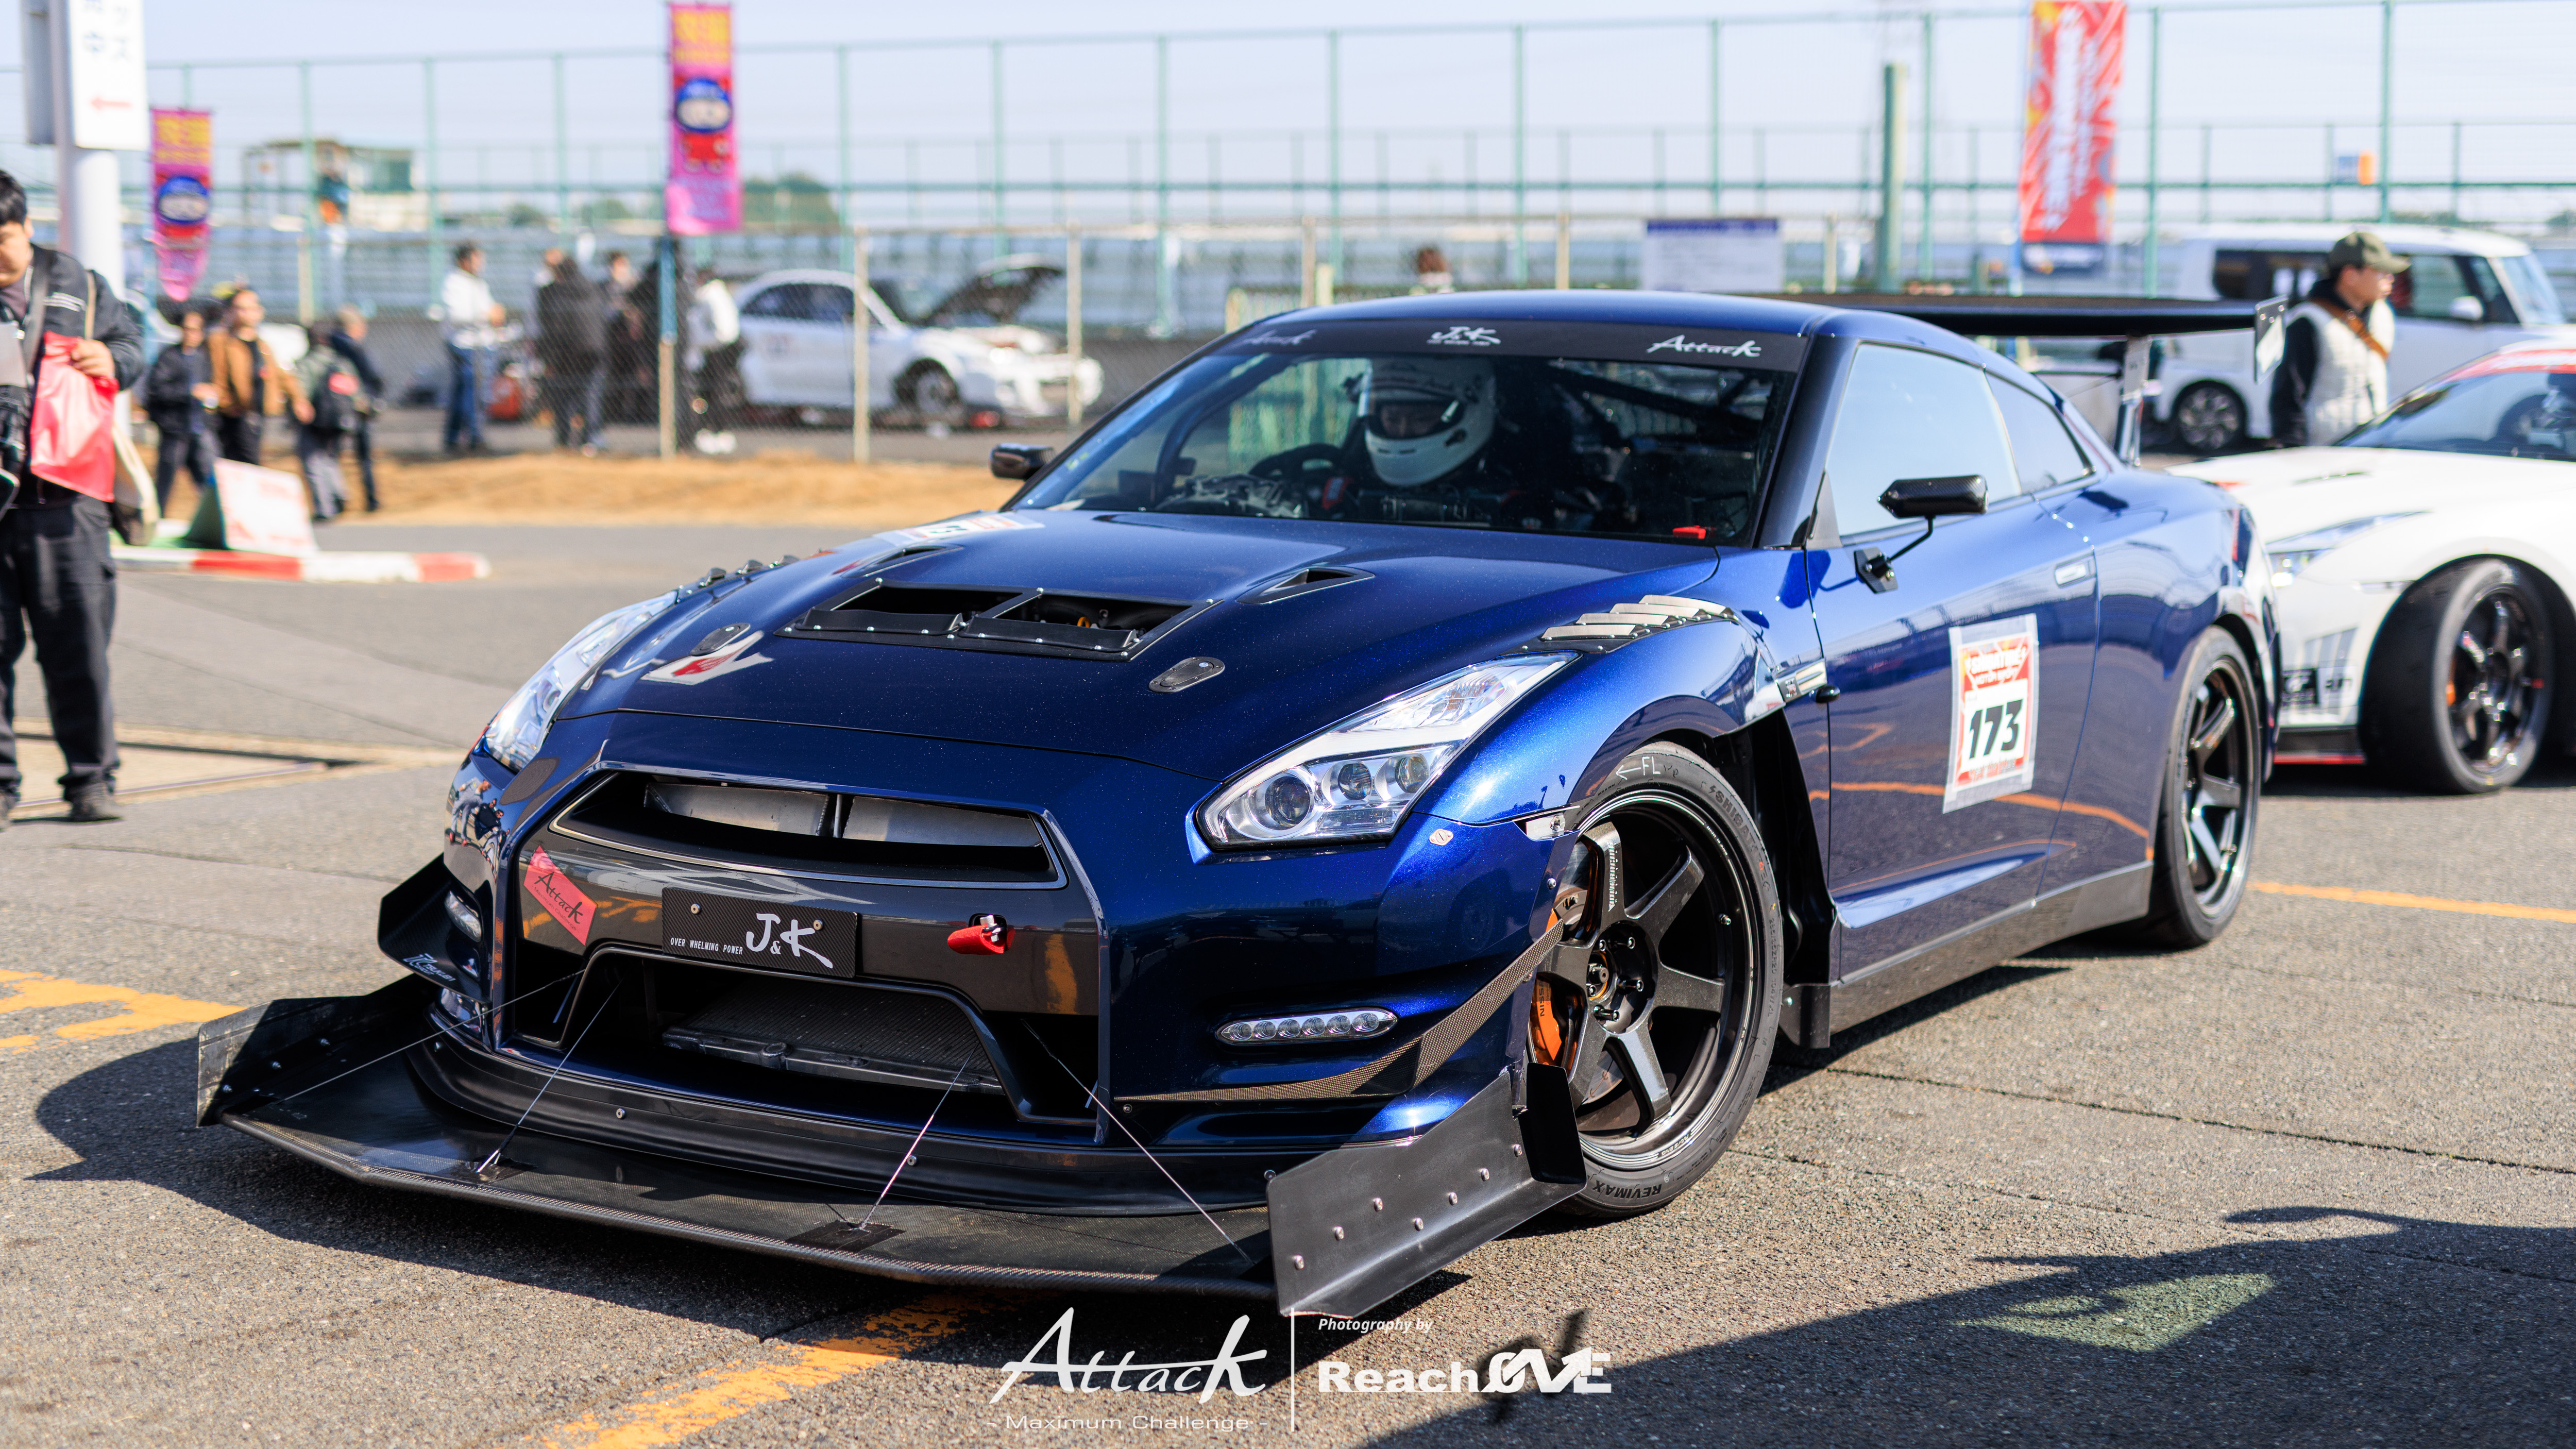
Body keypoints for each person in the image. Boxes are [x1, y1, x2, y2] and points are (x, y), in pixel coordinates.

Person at [0, 169, 146, 825]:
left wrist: (111, 359)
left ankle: (91, 780)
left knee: (79, 649)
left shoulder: (79, 284)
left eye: (2, 239)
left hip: (67, 498)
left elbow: (132, 345)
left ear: (27, 227)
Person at [2271, 229, 2406, 449]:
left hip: (2372, 446)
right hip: (2323, 451)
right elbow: (2289, 397)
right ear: (2350, 275)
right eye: (2381, 272)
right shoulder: (2309, 321)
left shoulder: (2383, 314)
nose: (2390, 279)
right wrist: (2293, 451)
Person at [206, 287, 310, 464]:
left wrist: (299, 400)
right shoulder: (221, 341)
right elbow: (217, 377)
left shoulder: (263, 345)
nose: (248, 313)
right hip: (233, 417)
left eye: (253, 308)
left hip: (259, 415)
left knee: (253, 464)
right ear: (231, 311)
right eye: (242, 308)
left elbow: (282, 374)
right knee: (242, 464)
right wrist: (226, 404)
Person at [142, 304, 218, 512]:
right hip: (175, 430)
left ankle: (213, 517)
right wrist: (189, 392)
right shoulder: (169, 357)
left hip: (199, 428)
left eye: (196, 330)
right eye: (187, 329)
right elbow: (157, 390)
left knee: (208, 479)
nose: (191, 334)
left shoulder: (203, 358)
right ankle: (156, 517)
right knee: (166, 479)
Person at [435, 242, 504, 453]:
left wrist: (494, 315)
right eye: (477, 259)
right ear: (464, 261)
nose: (481, 264)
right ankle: (474, 437)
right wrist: (486, 315)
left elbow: (489, 309)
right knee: (471, 393)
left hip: (480, 344)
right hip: (464, 345)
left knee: (465, 392)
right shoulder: (453, 283)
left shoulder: (478, 283)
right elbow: (456, 315)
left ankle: (454, 438)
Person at [535, 250, 606, 454]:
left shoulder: (554, 292)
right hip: (594, 349)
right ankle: (591, 439)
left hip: (566, 351)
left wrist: (549, 358)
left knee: (564, 394)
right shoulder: (592, 287)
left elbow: (553, 327)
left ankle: (565, 439)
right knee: (591, 393)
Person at [293, 322, 361, 521]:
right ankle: (338, 492)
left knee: (312, 462)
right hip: (339, 421)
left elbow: (301, 392)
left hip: (315, 421)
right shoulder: (342, 363)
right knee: (330, 457)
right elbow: (354, 391)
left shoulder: (307, 363)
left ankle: (324, 508)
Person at [326, 307, 384, 511]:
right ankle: (371, 499)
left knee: (332, 455)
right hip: (358, 406)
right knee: (364, 456)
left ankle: (336, 499)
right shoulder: (355, 349)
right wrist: (374, 398)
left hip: (333, 408)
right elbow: (373, 376)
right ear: (355, 327)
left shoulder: (326, 346)